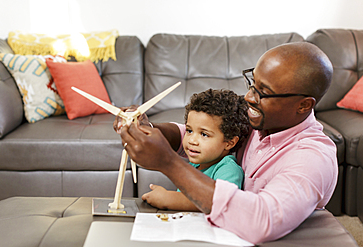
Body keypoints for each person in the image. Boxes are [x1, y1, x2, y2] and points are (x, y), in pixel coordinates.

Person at [114, 42, 338, 244]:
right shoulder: (262, 121)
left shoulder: (312, 157)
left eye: (264, 93)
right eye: (252, 83)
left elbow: (262, 221)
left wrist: (169, 163)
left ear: (303, 105)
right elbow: (198, 135)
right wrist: (148, 128)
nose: (249, 97)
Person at [141, 89, 250, 211]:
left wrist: (168, 199)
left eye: (204, 134)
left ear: (229, 143)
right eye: (189, 130)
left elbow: (220, 202)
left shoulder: (228, 170)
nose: (192, 140)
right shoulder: (196, 164)